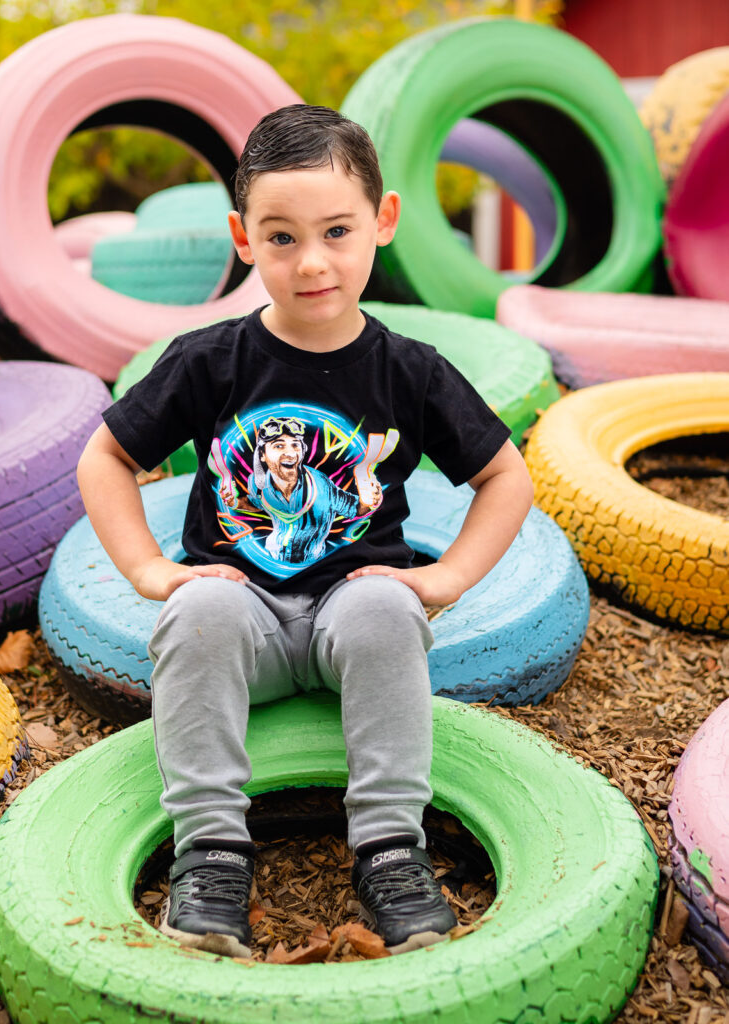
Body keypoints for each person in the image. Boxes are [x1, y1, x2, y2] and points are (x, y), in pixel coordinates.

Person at [76, 104, 534, 959]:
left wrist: (445, 578)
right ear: (242, 238)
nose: (312, 261)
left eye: (336, 231)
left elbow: (505, 476)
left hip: (350, 619)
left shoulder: (409, 370)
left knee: (385, 610)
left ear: (383, 221)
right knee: (196, 613)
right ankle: (210, 855)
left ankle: (390, 850)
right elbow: (105, 457)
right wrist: (146, 569)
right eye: (281, 237)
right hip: (240, 618)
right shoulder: (208, 361)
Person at [220, 414, 381, 564]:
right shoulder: (257, 482)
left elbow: (355, 508)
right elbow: (256, 503)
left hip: (318, 566)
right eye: (279, 446)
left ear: (302, 450)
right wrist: (234, 502)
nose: (290, 453)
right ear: (262, 454)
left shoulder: (321, 485)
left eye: (295, 445)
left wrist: (369, 501)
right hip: (271, 559)